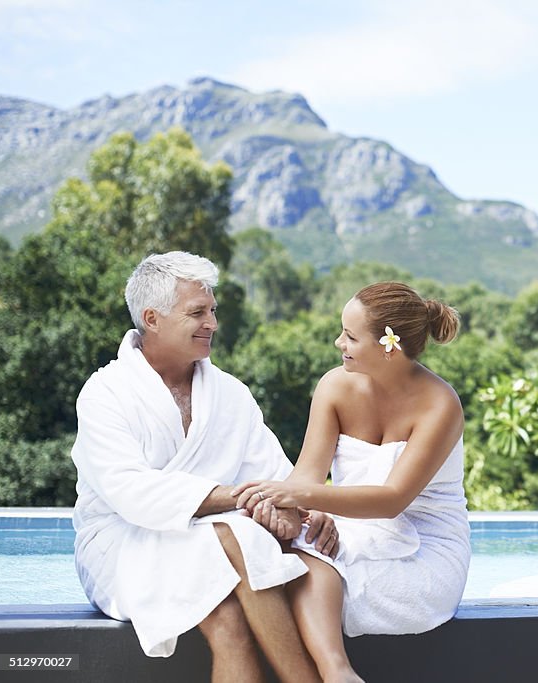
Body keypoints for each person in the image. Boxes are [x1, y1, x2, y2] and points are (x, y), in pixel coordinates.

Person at [71, 251, 339, 683]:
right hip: (123, 545)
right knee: (238, 532)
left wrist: (306, 506)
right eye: (197, 312)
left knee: (229, 624)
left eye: (213, 310)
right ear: (152, 318)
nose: (212, 323)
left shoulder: (230, 394)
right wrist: (245, 499)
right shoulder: (106, 394)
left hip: (210, 541)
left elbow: (277, 474)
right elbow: (133, 495)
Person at [232, 281, 471, 682]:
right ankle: (338, 675)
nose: (338, 341)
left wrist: (307, 496)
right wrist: (313, 509)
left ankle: (335, 672)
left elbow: (392, 500)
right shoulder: (334, 386)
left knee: (301, 570)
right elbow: (308, 473)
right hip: (352, 533)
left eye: (351, 336)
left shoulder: (440, 405)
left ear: (388, 346)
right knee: (273, 553)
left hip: (424, 555)